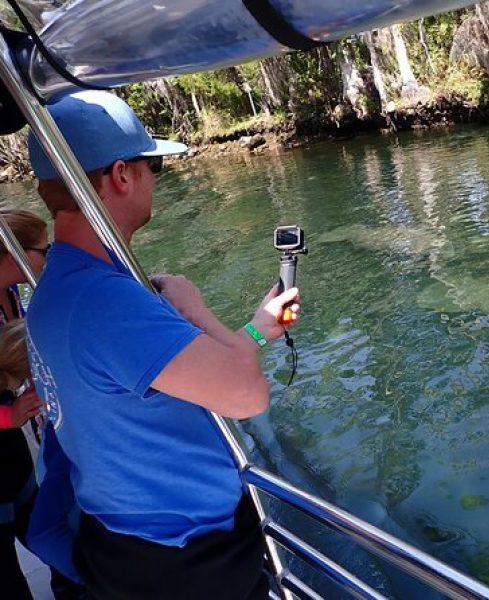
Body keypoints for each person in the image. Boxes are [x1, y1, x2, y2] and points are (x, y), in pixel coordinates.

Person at [26, 90, 300, 599]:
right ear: (121, 176)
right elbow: (248, 396)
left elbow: (186, 373)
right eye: (152, 165)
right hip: (185, 562)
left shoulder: (56, 289)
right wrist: (194, 309)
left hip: (127, 545)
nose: (155, 179)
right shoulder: (106, 301)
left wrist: (259, 329)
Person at [0, 208, 45, 600]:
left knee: (39, 525)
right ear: (13, 253)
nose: (49, 257)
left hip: (13, 448)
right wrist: (7, 415)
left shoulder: (12, 292)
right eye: (43, 250)